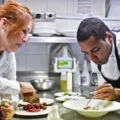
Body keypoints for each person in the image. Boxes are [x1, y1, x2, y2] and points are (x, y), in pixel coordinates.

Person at [0, 0, 36, 118]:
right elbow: (13, 86)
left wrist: (8, 106)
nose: (26, 39)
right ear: (4, 24)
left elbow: (10, 92)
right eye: (24, 31)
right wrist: (19, 86)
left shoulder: (9, 53)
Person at [77, 17, 120, 101]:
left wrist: (116, 93)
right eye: (86, 52)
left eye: (95, 50)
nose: (91, 58)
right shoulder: (94, 55)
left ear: (108, 37)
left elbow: (114, 93)